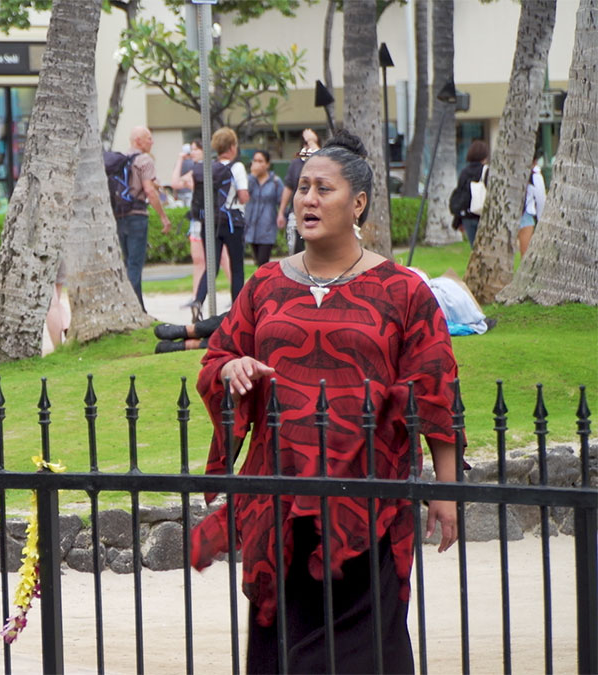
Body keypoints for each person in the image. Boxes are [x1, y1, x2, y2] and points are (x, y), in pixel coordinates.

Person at [190, 131, 461, 673]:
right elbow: (216, 358)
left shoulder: (404, 289)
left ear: (357, 203)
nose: (307, 199)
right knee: (284, 648)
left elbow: (435, 389)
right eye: (303, 188)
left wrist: (445, 492)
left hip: (368, 500)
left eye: (323, 189)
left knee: (365, 654)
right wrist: (233, 368)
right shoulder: (265, 285)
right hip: (281, 500)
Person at [187, 127, 251, 314]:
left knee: (211, 267)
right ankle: (238, 310)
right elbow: (243, 195)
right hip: (233, 222)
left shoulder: (208, 168)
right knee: (237, 267)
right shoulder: (237, 167)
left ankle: (198, 300)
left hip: (210, 222)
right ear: (232, 147)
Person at [115, 126, 172, 309]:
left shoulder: (122, 160)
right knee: (135, 265)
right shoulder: (145, 159)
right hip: (137, 217)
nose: (152, 141)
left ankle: (133, 306)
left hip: (120, 216)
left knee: (127, 263)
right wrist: (163, 216)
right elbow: (148, 190)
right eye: (148, 138)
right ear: (138, 141)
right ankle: (136, 308)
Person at [174, 140, 230, 316]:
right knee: (199, 260)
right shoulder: (194, 170)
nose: (193, 153)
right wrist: (180, 160)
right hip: (197, 219)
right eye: (192, 150)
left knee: (222, 257)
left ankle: (237, 292)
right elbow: (175, 183)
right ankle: (196, 298)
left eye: (196, 149)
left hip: (213, 219)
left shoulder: (213, 169)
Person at [277, 128, 321, 255]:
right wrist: (281, 212)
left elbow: (321, 156)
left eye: (310, 143)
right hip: (297, 213)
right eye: (305, 143)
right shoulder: (296, 164)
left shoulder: (321, 162)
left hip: (317, 211)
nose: (308, 147)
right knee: (295, 249)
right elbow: (288, 187)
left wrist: (312, 141)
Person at [244, 150, 284, 267]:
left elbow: (281, 201)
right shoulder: (249, 180)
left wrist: (281, 215)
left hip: (267, 227)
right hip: (252, 226)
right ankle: (260, 284)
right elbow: (245, 194)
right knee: (257, 262)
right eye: (255, 161)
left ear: (267, 164)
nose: (257, 164)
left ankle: (262, 284)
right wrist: (252, 176)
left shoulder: (275, 182)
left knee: (263, 261)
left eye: (260, 161)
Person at [451, 139, 489, 247]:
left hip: (467, 216)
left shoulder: (464, 172)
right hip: (482, 214)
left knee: (474, 247)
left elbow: (460, 195)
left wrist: (458, 221)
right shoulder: (486, 171)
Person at [519, 157, 546, 257]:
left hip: (509, 213)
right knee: (525, 254)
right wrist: (540, 219)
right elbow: (540, 198)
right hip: (526, 214)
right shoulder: (535, 175)